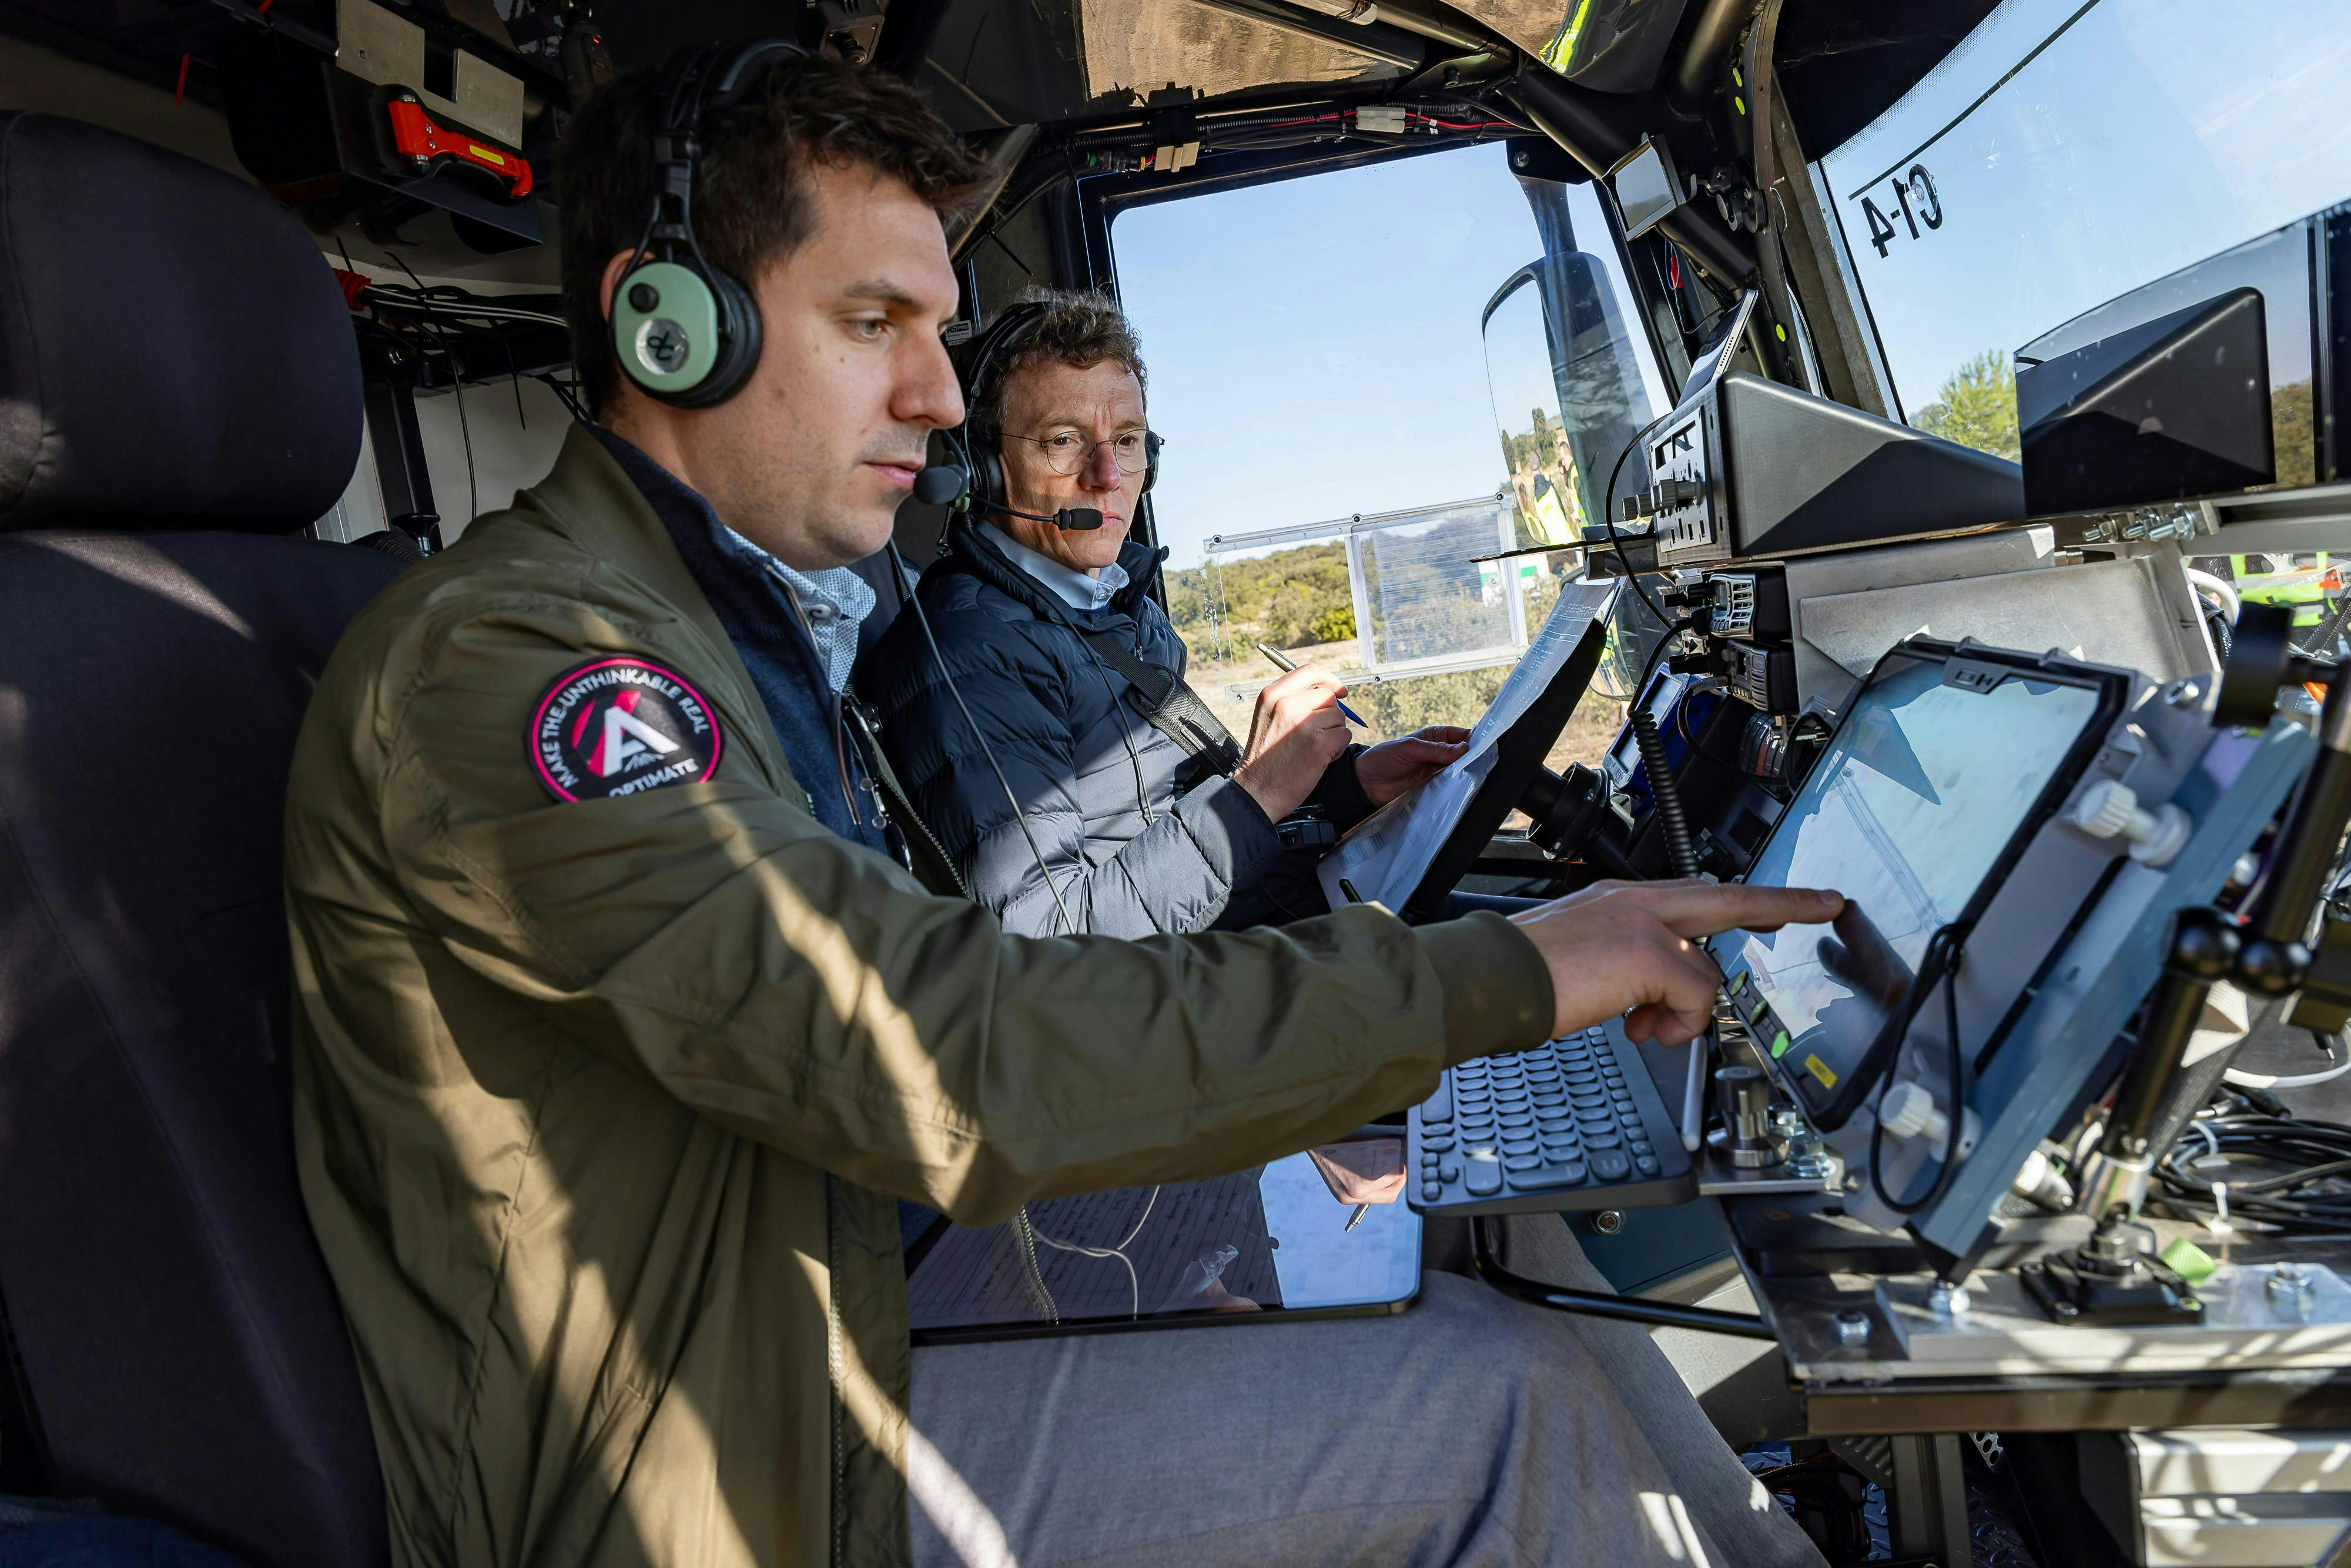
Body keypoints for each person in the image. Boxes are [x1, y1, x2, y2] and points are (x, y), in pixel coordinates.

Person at [283, 41, 1840, 1568]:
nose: (939, 399)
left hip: (862, 1272)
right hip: (736, 1459)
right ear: (672, 326)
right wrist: (1510, 972)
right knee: (1515, 1405)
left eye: (938, 329)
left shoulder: (732, 630)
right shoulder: (518, 663)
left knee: (1507, 1237)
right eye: (873, 318)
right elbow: (947, 1035)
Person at [863, 290, 1464, 936]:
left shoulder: (1113, 604)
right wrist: (1257, 790)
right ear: (983, 468)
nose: (1107, 475)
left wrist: (1349, 784)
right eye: (1064, 440)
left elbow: (1174, 818)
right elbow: (1043, 946)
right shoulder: (972, 652)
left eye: (1126, 441)